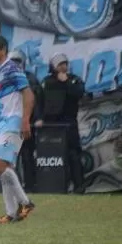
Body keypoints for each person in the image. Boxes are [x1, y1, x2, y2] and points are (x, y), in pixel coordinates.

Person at [0, 36, 36, 224]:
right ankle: (10, 213)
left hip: (13, 122)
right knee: (4, 170)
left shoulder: (12, 69)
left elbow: (28, 94)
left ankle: (25, 203)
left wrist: (25, 120)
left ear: (3, 50)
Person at [35, 53, 85, 194]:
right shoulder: (46, 82)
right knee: (51, 156)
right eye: (60, 64)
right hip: (50, 125)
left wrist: (66, 82)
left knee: (73, 155)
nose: (63, 66)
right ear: (53, 67)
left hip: (69, 123)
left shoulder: (74, 80)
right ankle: (51, 185)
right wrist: (39, 118)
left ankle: (79, 186)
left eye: (65, 63)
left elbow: (79, 93)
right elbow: (39, 102)